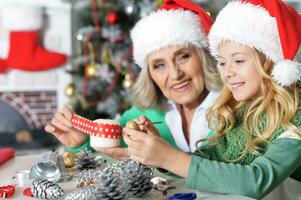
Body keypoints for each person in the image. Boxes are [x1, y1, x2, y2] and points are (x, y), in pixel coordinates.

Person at [124, 0, 301, 199]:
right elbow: (210, 162)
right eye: (222, 63)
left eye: (239, 61)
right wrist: (160, 155)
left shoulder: (295, 118)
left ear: (271, 61)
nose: (227, 73)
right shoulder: (241, 111)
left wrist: (169, 158)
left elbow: (258, 179)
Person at [45, 0, 221, 158]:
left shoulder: (235, 107)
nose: (175, 75)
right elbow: (104, 165)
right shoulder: (138, 117)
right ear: (149, 75)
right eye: (159, 65)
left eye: (183, 57)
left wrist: (165, 159)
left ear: (204, 56)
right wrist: (80, 144)